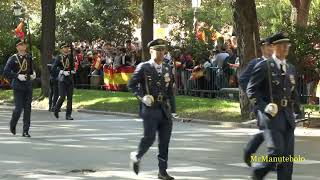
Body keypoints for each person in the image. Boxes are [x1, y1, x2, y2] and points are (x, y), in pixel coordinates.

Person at [247, 32, 303, 180]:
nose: (286, 48)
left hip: (287, 117)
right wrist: (264, 106)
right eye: (282, 45)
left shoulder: (290, 68)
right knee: (276, 152)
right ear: (274, 47)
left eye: (287, 45)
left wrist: (298, 111)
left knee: (287, 160)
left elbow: (293, 91)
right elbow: (251, 90)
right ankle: (258, 173)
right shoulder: (264, 66)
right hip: (271, 117)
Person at [128, 39, 175, 180]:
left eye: (163, 50)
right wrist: (142, 97)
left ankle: (162, 171)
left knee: (164, 141)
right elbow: (131, 85)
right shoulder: (144, 67)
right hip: (150, 109)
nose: (161, 53)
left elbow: (170, 91)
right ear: (151, 51)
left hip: (164, 109)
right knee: (149, 138)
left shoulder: (167, 68)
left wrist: (174, 110)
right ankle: (137, 156)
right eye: (158, 50)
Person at [239, 37, 273, 167]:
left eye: (272, 46)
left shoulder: (277, 63)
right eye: (268, 46)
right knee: (269, 131)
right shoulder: (256, 63)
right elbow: (243, 80)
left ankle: (249, 149)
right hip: (262, 104)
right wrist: (255, 98)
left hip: (276, 105)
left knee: (270, 131)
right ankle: (271, 163)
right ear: (262, 48)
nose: (271, 49)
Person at [3, 39, 36, 137]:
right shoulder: (13, 58)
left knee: (27, 108)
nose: (23, 46)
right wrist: (17, 76)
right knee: (18, 108)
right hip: (18, 85)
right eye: (20, 45)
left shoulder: (29, 57)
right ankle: (13, 124)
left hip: (28, 85)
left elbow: (30, 69)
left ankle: (25, 131)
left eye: (24, 45)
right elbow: (6, 72)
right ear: (17, 47)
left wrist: (33, 74)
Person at [52, 42, 75, 120]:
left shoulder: (70, 57)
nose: (66, 49)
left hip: (70, 79)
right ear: (61, 49)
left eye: (67, 47)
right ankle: (56, 109)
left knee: (70, 98)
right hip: (62, 79)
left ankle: (68, 115)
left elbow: (72, 67)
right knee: (62, 96)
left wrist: (72, 71)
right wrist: (62, 71)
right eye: (64, 48)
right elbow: (53, 68)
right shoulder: (59, 58)